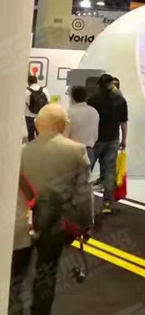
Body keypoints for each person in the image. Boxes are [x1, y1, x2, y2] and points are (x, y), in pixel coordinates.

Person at [10, 104, 92, 315]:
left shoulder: (20, 153)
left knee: (15, 277)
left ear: (37, 124)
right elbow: (84, 193)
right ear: (65, 125)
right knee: (46, 275)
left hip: (21, 221)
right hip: (56, 223)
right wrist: (86, 224)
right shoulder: (76, 151)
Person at [88, 73, 128, 215]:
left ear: (99, 85)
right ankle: (107, 204)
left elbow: (89, 121)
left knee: (87, 170)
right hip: (113, 140)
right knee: (110, 172)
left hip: (95, 140)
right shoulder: (120, 100)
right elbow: (123, 122)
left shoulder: (93, 100)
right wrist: (124, 139)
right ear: (112, 84)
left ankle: (83, 202)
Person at [66, 85, 100, 162]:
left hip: (72, 150)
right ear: (86, 97)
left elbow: (65, 134)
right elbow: (95, 136)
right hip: (88, 151)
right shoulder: (94, 112)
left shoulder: (68, 112)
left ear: (72, 97)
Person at [24, 73, 50, 142]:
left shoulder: (27, 91)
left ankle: (31, 147)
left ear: (28, 82)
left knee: (31, 134)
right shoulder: (44, 90)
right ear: (36, 81)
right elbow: (48, 102)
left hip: (29, 116)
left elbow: (25, 103)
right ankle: (40, 147)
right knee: (40, 135)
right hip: (41, 115)